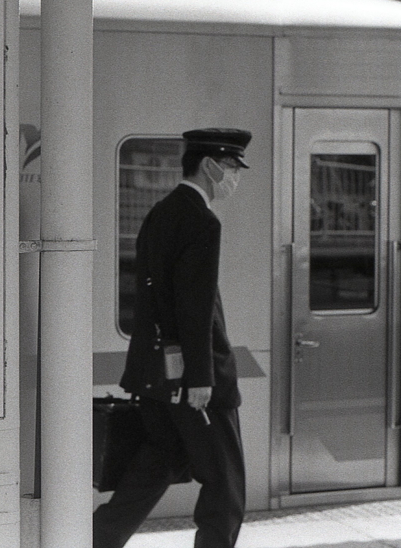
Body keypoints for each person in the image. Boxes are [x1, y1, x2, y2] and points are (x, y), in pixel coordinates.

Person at [93, 128, 251, 548]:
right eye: (233, 167)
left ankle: (93, 541)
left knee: (155, 467)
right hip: (194, 382)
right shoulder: (202, 222)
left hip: (152, 375)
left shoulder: (159, 213)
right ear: (210, 165)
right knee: (226, 484)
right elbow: (195, 307)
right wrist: (201, 378)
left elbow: (150, 299)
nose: (235, 176)